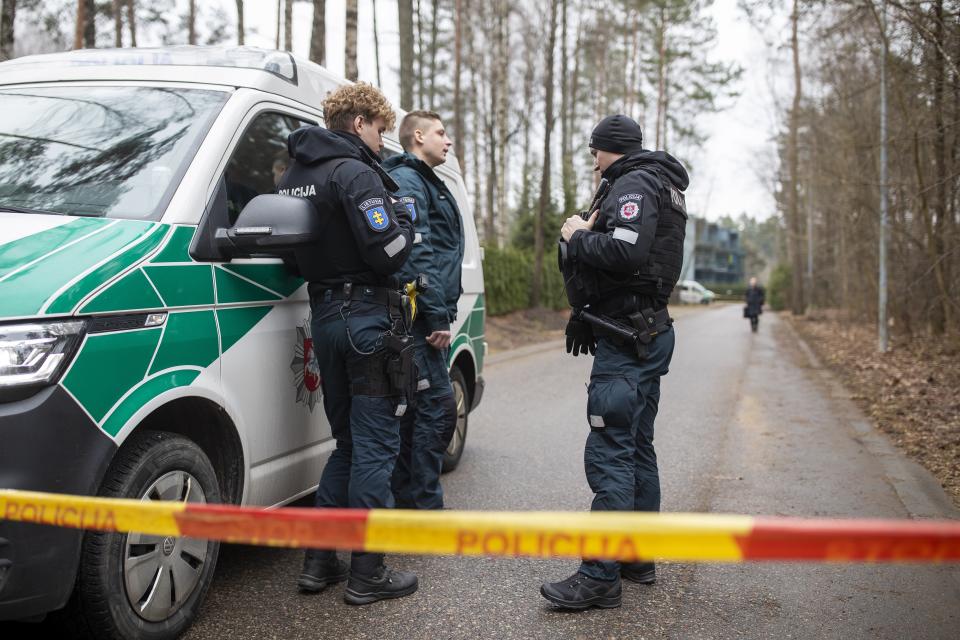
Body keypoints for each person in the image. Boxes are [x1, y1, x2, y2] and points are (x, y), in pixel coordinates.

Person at [278, 82, 419, 605]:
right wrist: (408, 222)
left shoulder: (293, 177)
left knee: (349, 444)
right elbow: (390, 255)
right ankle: (368, 574)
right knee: (377, 447)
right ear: (359, 122)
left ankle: (319, 562)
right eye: (382, 130)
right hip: (367, 319)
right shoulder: (356, 172)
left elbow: (291, 256)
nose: (383, 141)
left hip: (325, 319)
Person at [543, 115, 689, 610]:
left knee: (611, 449)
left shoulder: (633, 183)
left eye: (595, 151)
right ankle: (635, 557)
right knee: (636, 446)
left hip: (628, 339)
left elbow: (626, 251)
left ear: (610, 149)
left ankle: (599, 576)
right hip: (645, 329)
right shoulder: (661, 183)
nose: (593, 160)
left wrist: (579, 234)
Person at [383, 111, 464, 510]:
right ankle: (423, 505)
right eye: (441, 133)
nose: (448, 141)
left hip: (427, 312)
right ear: (418, 136)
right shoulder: (409, 180)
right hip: (419, 318)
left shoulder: (427, 180)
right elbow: (418, 250)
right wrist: (435, 315)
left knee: (419, 411)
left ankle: (411, 499)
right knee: (436, 409)